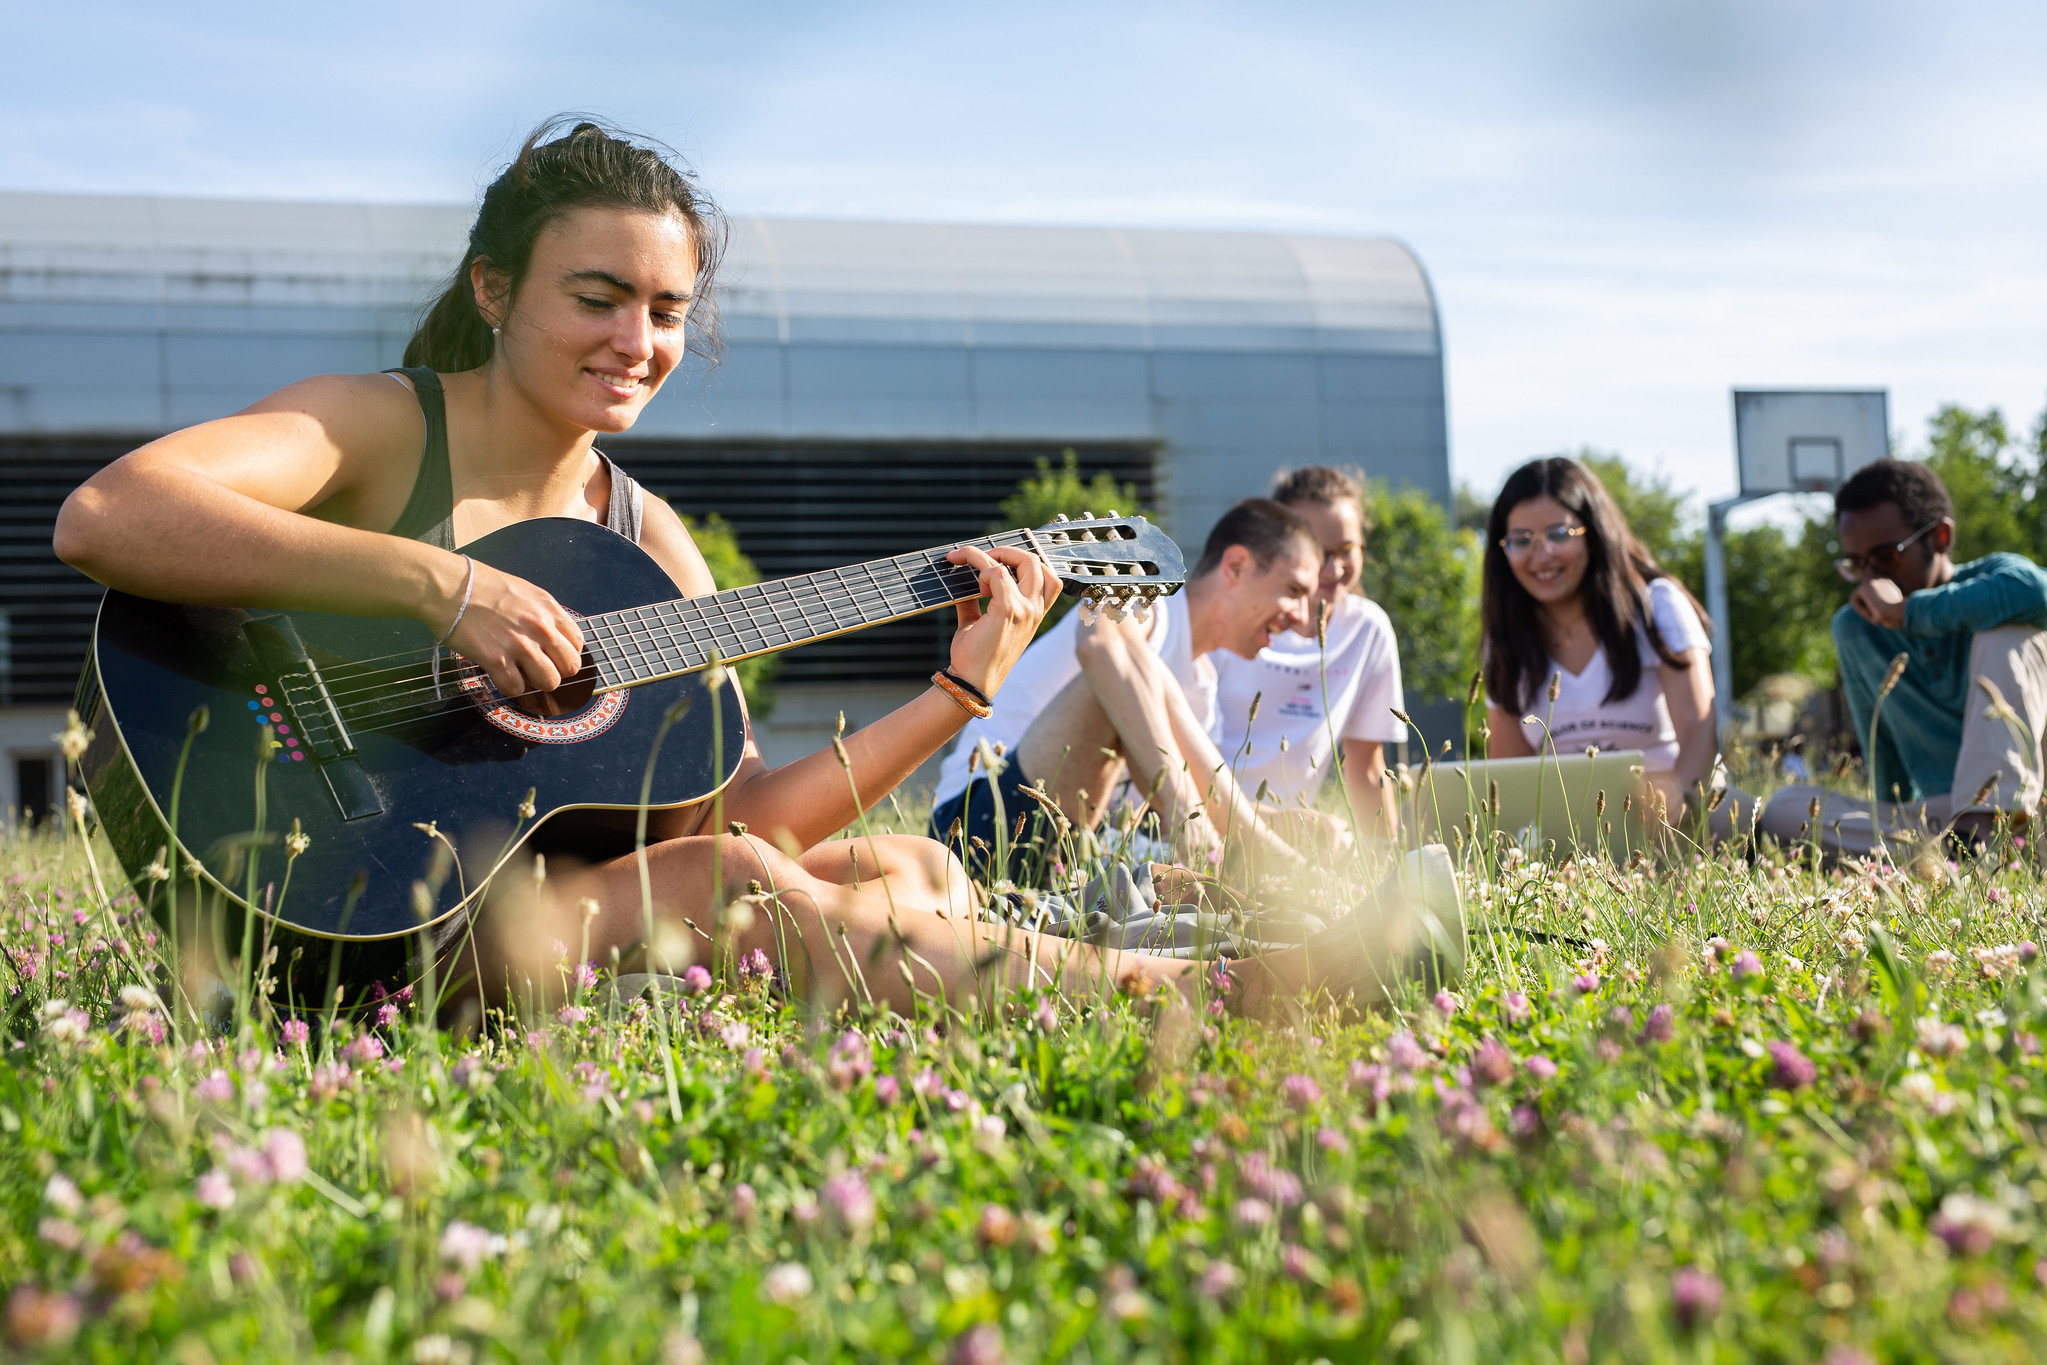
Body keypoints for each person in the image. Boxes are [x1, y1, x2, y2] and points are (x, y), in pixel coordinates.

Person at [53, 117, 1456, 1017]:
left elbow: (734, 812)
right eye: (593, 297)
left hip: (535, 908)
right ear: (493, 288)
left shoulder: (640, 542)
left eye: (666, 310)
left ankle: (886, 991)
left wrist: (960, 691)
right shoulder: (382, 427)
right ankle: (1221, 993)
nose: (636, 340)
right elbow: (111, 514)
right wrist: (446, 587)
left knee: (909, 862)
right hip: (331, 914)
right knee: (734, 890)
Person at [928, 498, 1351, 878]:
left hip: (1056, 849)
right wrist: (1190, 814)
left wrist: (1290, 825)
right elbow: (1098, 645)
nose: (1301, 617)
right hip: (969, 832)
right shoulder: (1147, 608)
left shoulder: (1201, 685)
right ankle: (1267, 855)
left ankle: (1272, 854)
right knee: (1120, 680)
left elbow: (1200, 802)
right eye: (1294, 591)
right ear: (1236, 566)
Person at [1761, 458, 2047, 856]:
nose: (1871, 580)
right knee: (1783, 811)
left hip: (2036, 810)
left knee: (2008, 630)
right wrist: (1887, 817)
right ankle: (1962, 856)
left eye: (1886, 557)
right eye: (1856, 564)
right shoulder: (1857, 627)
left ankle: (1987, 836)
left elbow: (2038, 592)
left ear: (1941, 537)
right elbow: (1883, 754)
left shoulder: (1998, 579)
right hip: (1945, 821)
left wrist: (1907, 612)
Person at [1479, 456, 1736, 829]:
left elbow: (1699, 736)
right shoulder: (1504, 637)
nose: (1541, 556)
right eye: (1520, 540)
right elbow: (1510, 777)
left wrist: (1673, 814)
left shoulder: (1657, 606)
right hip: (1569, 828)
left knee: (1749, 819)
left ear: (1595, 533)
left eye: (1558, 534)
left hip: (1682, 811)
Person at [1212, 466, 1406, 843]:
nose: (1334, 569)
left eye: (1346, 550)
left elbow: (1367, 770)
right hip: (1207, 823)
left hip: (1292, 840)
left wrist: (1389, 871)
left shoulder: (1367, 630)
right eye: (1318, 552)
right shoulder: (1232, 620)